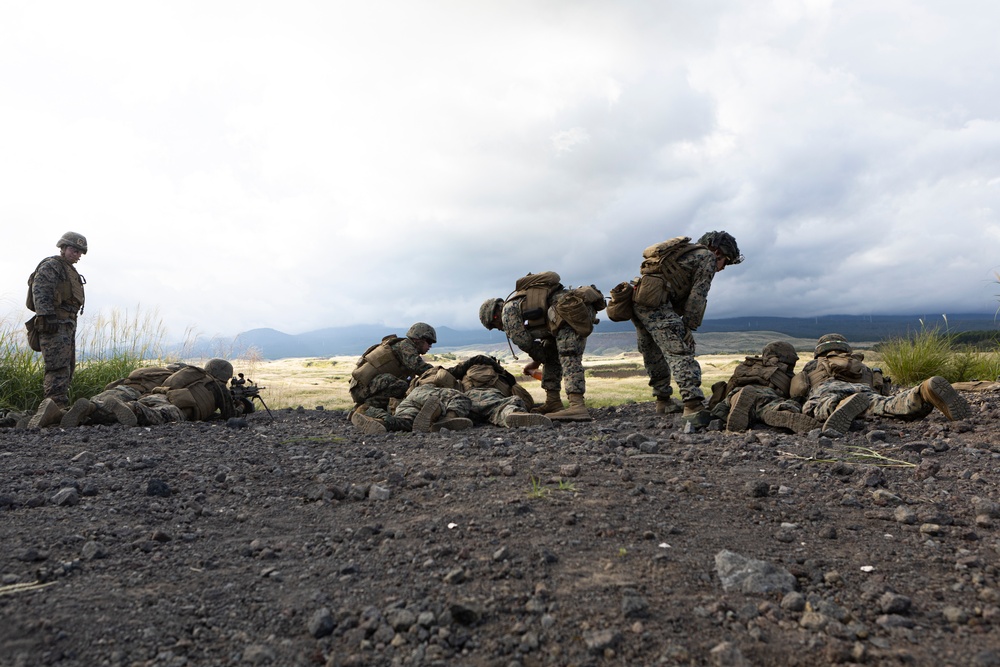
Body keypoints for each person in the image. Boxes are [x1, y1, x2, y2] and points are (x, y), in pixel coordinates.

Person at [629, 231, 743, 427]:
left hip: (641, 301)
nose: (723, 267)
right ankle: (692, 405)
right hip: (659, 304)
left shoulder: (685, 253)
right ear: (717, 252)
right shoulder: (706, 257)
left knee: (652, 351)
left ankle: (663, 400)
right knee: (680, 350)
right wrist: (688, 326)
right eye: (725, 261)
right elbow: (698, 294)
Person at [479, 273, 605, 422]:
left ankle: (577, 406)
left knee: (569, 357)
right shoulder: (519, 302)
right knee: (551, 353)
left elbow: (525, 342)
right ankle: (553, 402)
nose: (500, 329)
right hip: (569, 314)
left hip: (569, 315)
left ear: (494, 316)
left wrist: (539, 358)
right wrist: (541, 360)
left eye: (495, 326)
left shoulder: (508, 312)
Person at [790, 333, 971, 435]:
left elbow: (798, 390)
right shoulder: (861, 365)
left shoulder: (812, 365)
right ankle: (923, 392)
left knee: (814, 407)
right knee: (886, 405)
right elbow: (882, 390)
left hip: (828, 389)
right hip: (864, 391)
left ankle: (840, 405)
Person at [351, 357, 552, 434]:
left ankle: (378, 419)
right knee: (497, 404)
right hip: (452, 398)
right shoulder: (494, 378)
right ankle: (510, 414)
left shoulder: (425, 380)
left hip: (414, 398)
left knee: (403, 421)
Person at [56, 359, 238, 428]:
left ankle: (90, 409)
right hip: (177, 406)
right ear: (226, 377)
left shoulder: (191, 373)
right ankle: (132, 409)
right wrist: (241, 404)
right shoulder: (220, 388)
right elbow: (229, 416)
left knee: (144, 404)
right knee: (157, 415)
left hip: (159, 394)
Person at [25, 232, 87, 427]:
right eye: (74, 250)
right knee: (57, 366)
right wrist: (46, 314)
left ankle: (58, 409)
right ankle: (52, 408)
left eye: (80, 252)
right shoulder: (52, 265)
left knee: (67, 366)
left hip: (66, 324)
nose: (77, 254)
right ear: (63, 248)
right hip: (54, 324)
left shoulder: (68, 269)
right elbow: (40, 288)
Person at [708, 341, 820, 434]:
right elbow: (795, 393)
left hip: (741, 391)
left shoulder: (748, 366)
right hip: (768, 394)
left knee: (735, 399)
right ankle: (785, 412)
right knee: (773, 405)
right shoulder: (783, 371)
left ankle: (736, 401)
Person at [349, 323, 437, 430]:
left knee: (404, 386)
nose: (430, 346)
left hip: (364, 388)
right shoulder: (406, 346)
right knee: (402, 386)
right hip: (362, 388)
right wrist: (440, 373)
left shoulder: (404, 346)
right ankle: (366, 409)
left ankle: (360, 410)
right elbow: (420, 367)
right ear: (418, 339)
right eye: (429, 342)